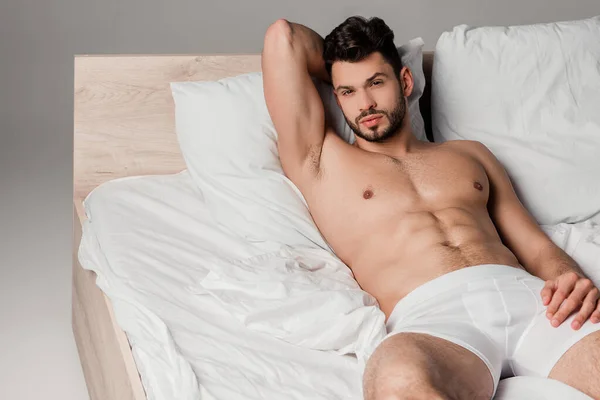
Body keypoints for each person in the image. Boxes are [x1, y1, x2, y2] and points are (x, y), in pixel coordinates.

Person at [261, 15, 600, 400]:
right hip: (435, 320)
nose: (366, 103)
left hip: (531, 301)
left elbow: (537, 247)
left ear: (405, 82)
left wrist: (570, 279)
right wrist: (342, 59)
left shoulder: (469, 155)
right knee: (397, 383)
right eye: (348, 92)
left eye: (375, 82)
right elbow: (282, 37)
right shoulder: (321, 161)